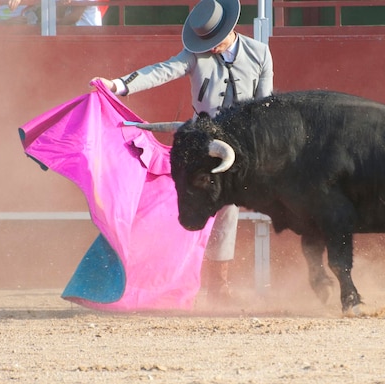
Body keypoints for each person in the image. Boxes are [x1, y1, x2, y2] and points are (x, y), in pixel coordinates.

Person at [91, 0, 274, 305]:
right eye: (206, 42)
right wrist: (119, 85)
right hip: (199, 144)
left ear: (229, 30)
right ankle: (164, 277)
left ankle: (218, 283)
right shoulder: (194, 54)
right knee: (179, 204)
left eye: (214, 41)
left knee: (226, 210)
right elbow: (162, 71)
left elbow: (265, 107)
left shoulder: (259, 53)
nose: (210, 48)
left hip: (238, 147)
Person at [0, 0, 102, 26]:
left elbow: (74, 17)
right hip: (68, 34)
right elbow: (58, 16)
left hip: (89, 34)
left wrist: (50, 25)